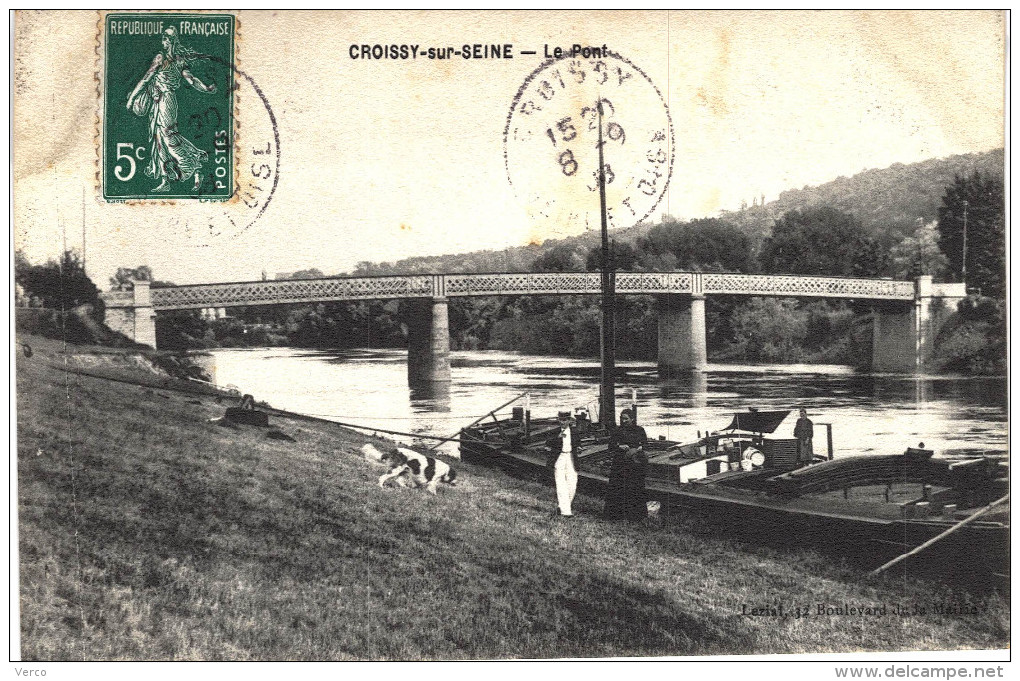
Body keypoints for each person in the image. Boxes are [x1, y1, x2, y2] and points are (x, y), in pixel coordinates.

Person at [126, 27, 218, 193]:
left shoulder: (173, 59)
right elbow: (148, 79)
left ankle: (192, 164)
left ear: (173, 40)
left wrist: (205, 88)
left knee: (168, 138)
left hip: (166, 101)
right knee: (159, 139)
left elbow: (190, 80)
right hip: (158, 101)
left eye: (169, 37)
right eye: (165, 37)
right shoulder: (169, 58)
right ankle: (166, 180)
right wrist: (206, 88)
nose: (166, 40)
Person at [603, 409, 649, 521]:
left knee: (635, 488)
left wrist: (640, 448)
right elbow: (611, 446)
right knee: (618, 487)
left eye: (626, 419)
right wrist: (619, 446)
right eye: (622, 418)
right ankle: (616, 515)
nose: (623, 421)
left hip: (635, 463)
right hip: (620, 463)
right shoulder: (617, 430)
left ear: (632, 419)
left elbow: (646, 444)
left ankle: (635, 516)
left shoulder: (640, 430)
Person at [546, 412, 580, 517]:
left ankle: (562, 507)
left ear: (569, 420)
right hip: (559, 458)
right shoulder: (555, 431)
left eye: (565, 420)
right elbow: (548, 443)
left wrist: (579, 447)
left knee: (572, 483)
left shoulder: (574, 431)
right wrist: (558, 437)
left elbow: (578, 443)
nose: (562, 422)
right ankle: (566, 512)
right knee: (561, 484)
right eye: (560, 419)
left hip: (570, 457)